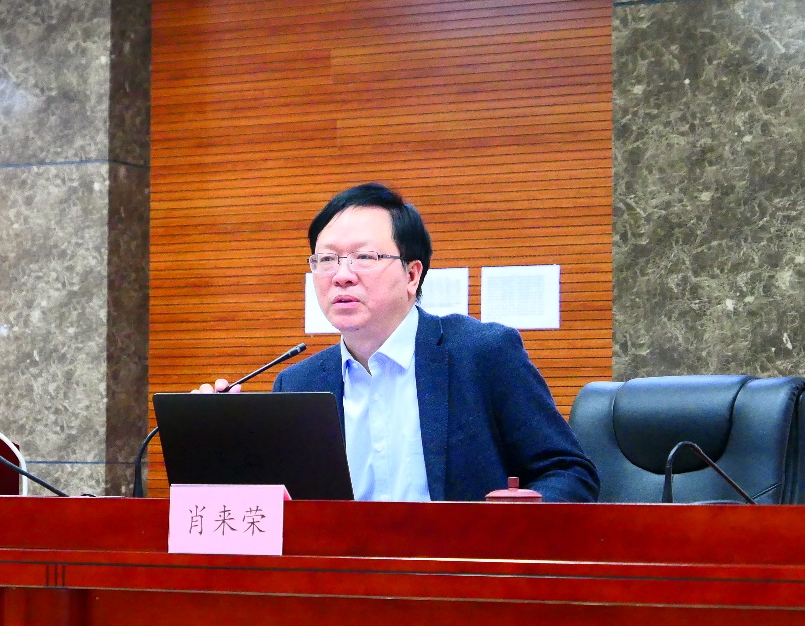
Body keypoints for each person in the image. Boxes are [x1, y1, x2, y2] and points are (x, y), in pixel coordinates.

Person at [199, 182, 599, 502]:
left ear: (411, 275)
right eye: (326, 260)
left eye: (364, 258)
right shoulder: (298, 384)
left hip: (459, 571)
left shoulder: (481, 353)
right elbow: (282, 510)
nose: (342, 275)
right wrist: (227, 445)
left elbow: (569, 472)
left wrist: (519, 518)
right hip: (343, 575)